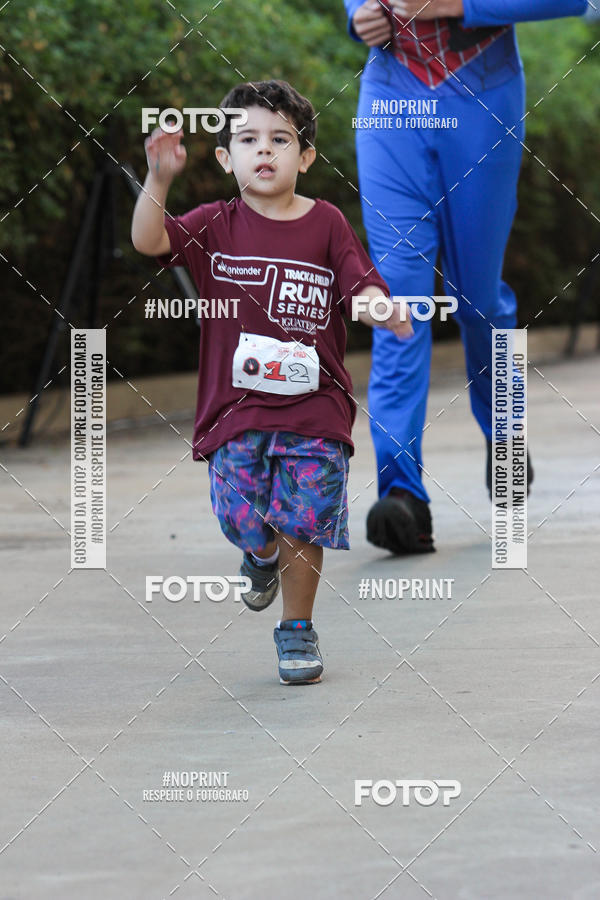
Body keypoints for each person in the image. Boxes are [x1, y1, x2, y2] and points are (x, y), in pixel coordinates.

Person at [131, 80, 412, 685]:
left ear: (305, 156)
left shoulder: (327, 223)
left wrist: (380, 310)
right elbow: (148, 240)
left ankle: (297, 628)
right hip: (235, 411)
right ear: (226, 159)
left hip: (317, 407)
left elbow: (360, 284)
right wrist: (158, 179)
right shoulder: (215, 225)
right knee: (245, 518)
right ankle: (257, 555)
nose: (265, 151)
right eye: (249, 140)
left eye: (280, 139)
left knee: (304, 518)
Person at [344, 0, 586, 555]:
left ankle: (505, 431)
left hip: (482, 93)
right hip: (391, 93)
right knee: (396, 303)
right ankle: (402, 496)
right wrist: (358, 12)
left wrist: (460, 4)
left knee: (476, 298)